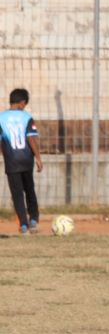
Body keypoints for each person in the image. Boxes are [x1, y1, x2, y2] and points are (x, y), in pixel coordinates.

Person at [1, 88, 42, 235]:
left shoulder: (1, 117)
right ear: (22, 102)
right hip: (26, 159)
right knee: (29, 189)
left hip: (11, 161)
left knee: (17, 193)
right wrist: (38, 157)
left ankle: (23, 226)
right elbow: (31, 138)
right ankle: (33, 220)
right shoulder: (26, 117)